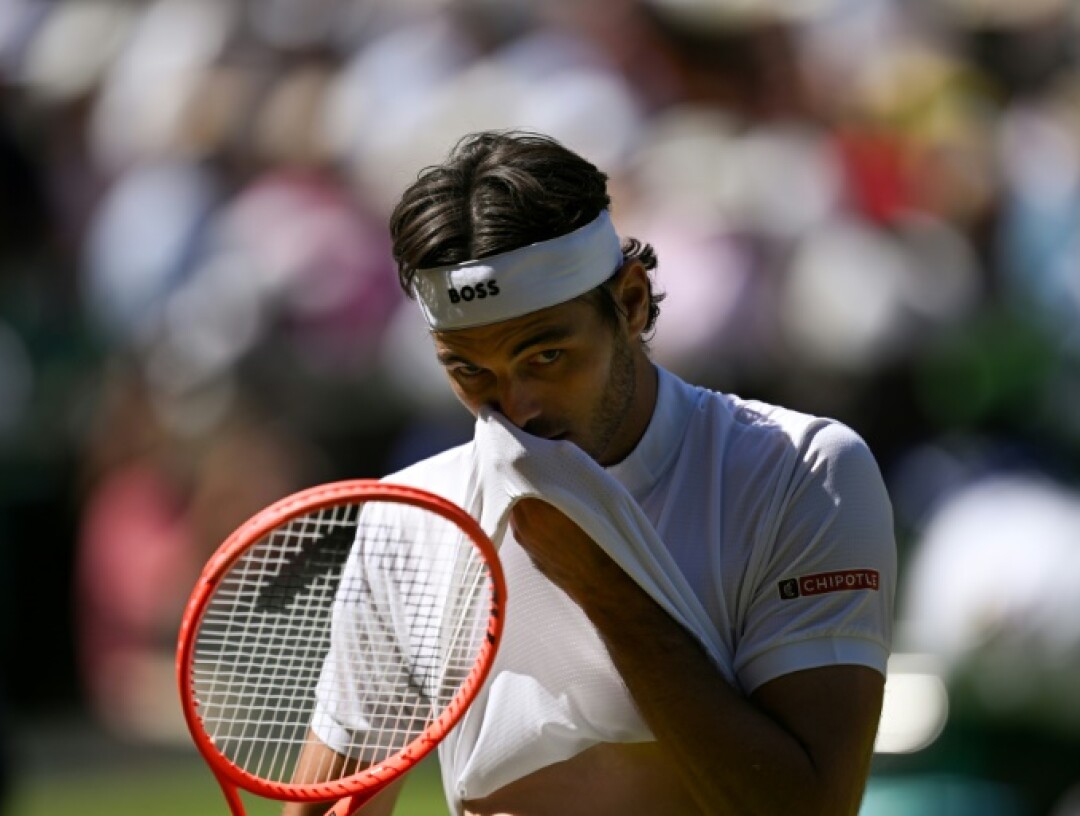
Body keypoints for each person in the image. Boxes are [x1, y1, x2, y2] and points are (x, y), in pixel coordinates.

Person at [284, 130, 896, 816]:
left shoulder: (803, 471)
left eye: (546, 356)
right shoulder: (409, 515)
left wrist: (604, 588)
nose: (516, 407)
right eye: (469, 369)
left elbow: (809, 809)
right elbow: (333, 803)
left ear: (631, 304)